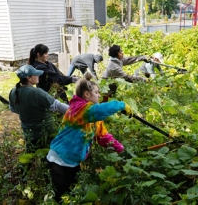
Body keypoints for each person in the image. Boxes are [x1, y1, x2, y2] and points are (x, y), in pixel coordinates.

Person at [46, 72, 134, 203]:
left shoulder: (93, 118)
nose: (99, 95)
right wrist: (120, 105)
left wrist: (119, 147)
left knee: (73, 192)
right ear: (86, 94)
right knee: (60, 196)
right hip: (59, 159)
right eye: (97, 92)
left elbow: (102, 136)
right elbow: (98, 110)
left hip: (73, 161)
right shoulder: (77, 109)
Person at [9, 65, 69, 153]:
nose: (38, 76)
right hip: (45, 132)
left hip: (28, 132)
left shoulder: (13, 92)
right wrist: (77, 111)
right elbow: (58, 106)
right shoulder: (37, 92)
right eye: (35, 74)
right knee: (50, 153)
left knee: (32, 154)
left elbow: (13, 109)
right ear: (29, 78)